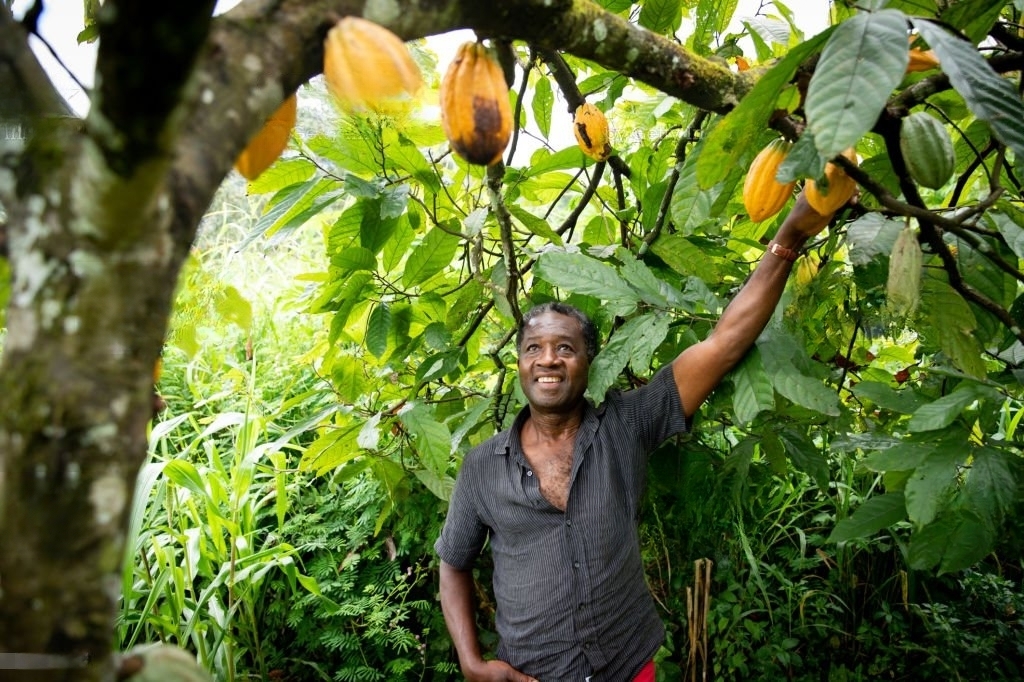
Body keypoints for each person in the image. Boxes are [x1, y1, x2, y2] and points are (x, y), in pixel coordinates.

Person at [434, 192, 833, 681]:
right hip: (530, 673)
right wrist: (472, 664)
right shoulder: (481, 467)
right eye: (533, 348)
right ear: (519, 364)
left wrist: (788, 238)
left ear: (588, 362)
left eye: (565, 347)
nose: (548, 359)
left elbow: (724, 344)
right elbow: (453, 563)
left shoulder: (627, 424)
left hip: (627, 665)